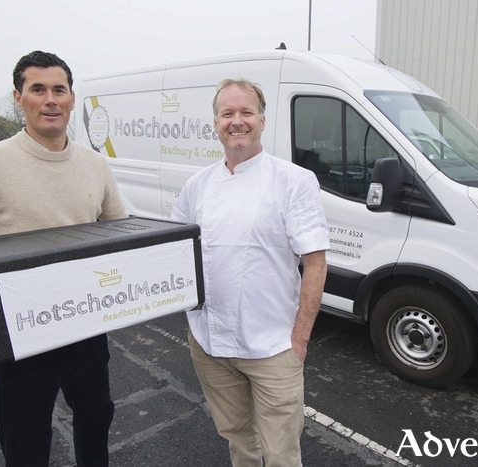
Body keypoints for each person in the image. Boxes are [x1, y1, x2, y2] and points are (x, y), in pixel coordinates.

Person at [0, 50, 127, 467]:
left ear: (72, 98)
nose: (50, 99)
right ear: (19, 98)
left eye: (59, 89)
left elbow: (122, 233)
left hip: (86, 325)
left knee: (96, 420)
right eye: (38, 90)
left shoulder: (95, 164)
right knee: (27, 442)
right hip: (18, 333)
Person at [170, 78, 330, 467]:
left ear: (262, 120)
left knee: (280, 453)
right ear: (215, 123)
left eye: (246, 113)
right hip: (210, 343)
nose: (236, 121)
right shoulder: (197, 185)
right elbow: (173, 251)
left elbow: (315, 262)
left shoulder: (294, 181)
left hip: (273, 346)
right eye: (228, 113)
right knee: (239, 441)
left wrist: (300, 340)